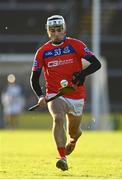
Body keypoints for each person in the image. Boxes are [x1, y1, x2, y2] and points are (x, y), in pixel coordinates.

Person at [30, 15, 101, 171]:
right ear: (48, 32)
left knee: (74, 132)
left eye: (59, 30)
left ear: (64, 29)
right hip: (56, 94)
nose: (56, 33)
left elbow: (97, 64)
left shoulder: (76, 45)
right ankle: (62, 157)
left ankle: (74, 138)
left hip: (76, 95)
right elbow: (34, 79)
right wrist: (41, 96)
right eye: (53, 30)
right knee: (58, 118)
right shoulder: (42, 52)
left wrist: (82, 74)